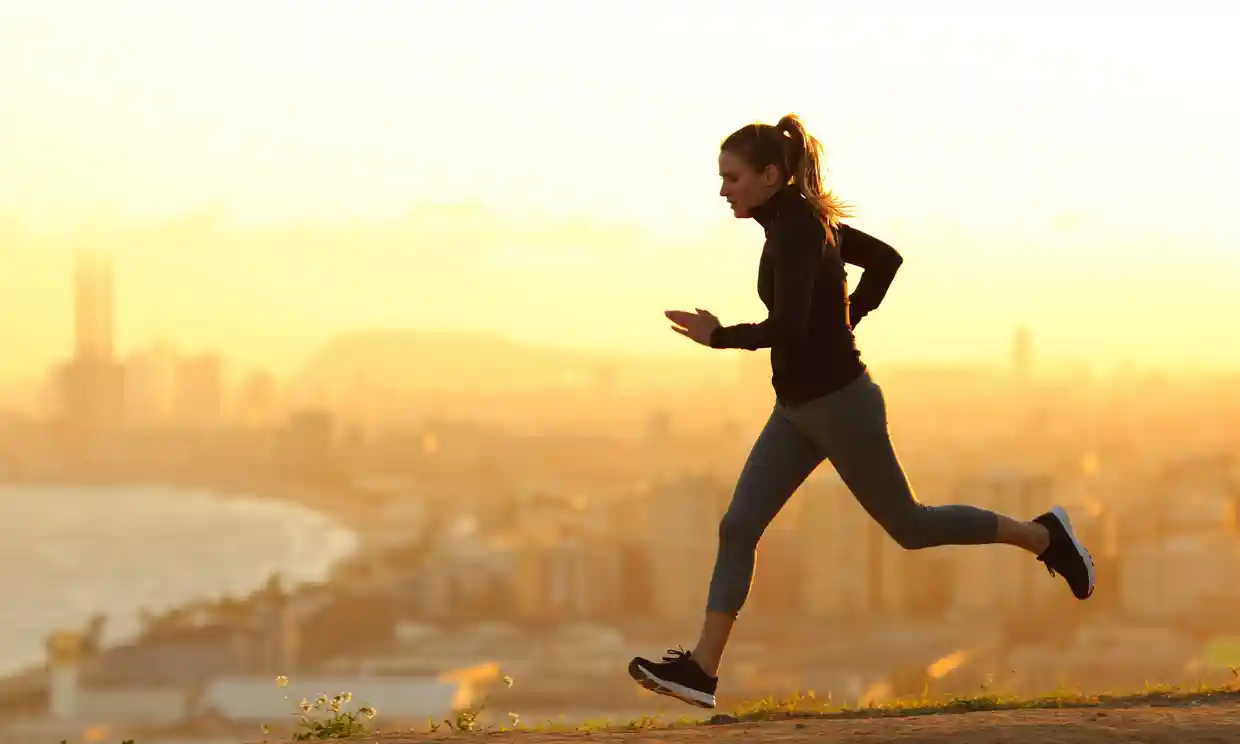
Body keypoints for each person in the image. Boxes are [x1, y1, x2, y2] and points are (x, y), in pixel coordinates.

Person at [626, 114, 1095, 710]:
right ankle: (701, 670)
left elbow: (792, 325)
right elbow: (885, 262)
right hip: (796, 410)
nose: (723, 190)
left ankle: (1043, 536)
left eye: (732, 177)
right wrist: (848, 315)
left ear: (770, 175)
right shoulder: (798, 224)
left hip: (842, 407)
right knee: (738, 526)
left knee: (911, 527)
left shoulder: (799, 230)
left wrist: (723, 337)